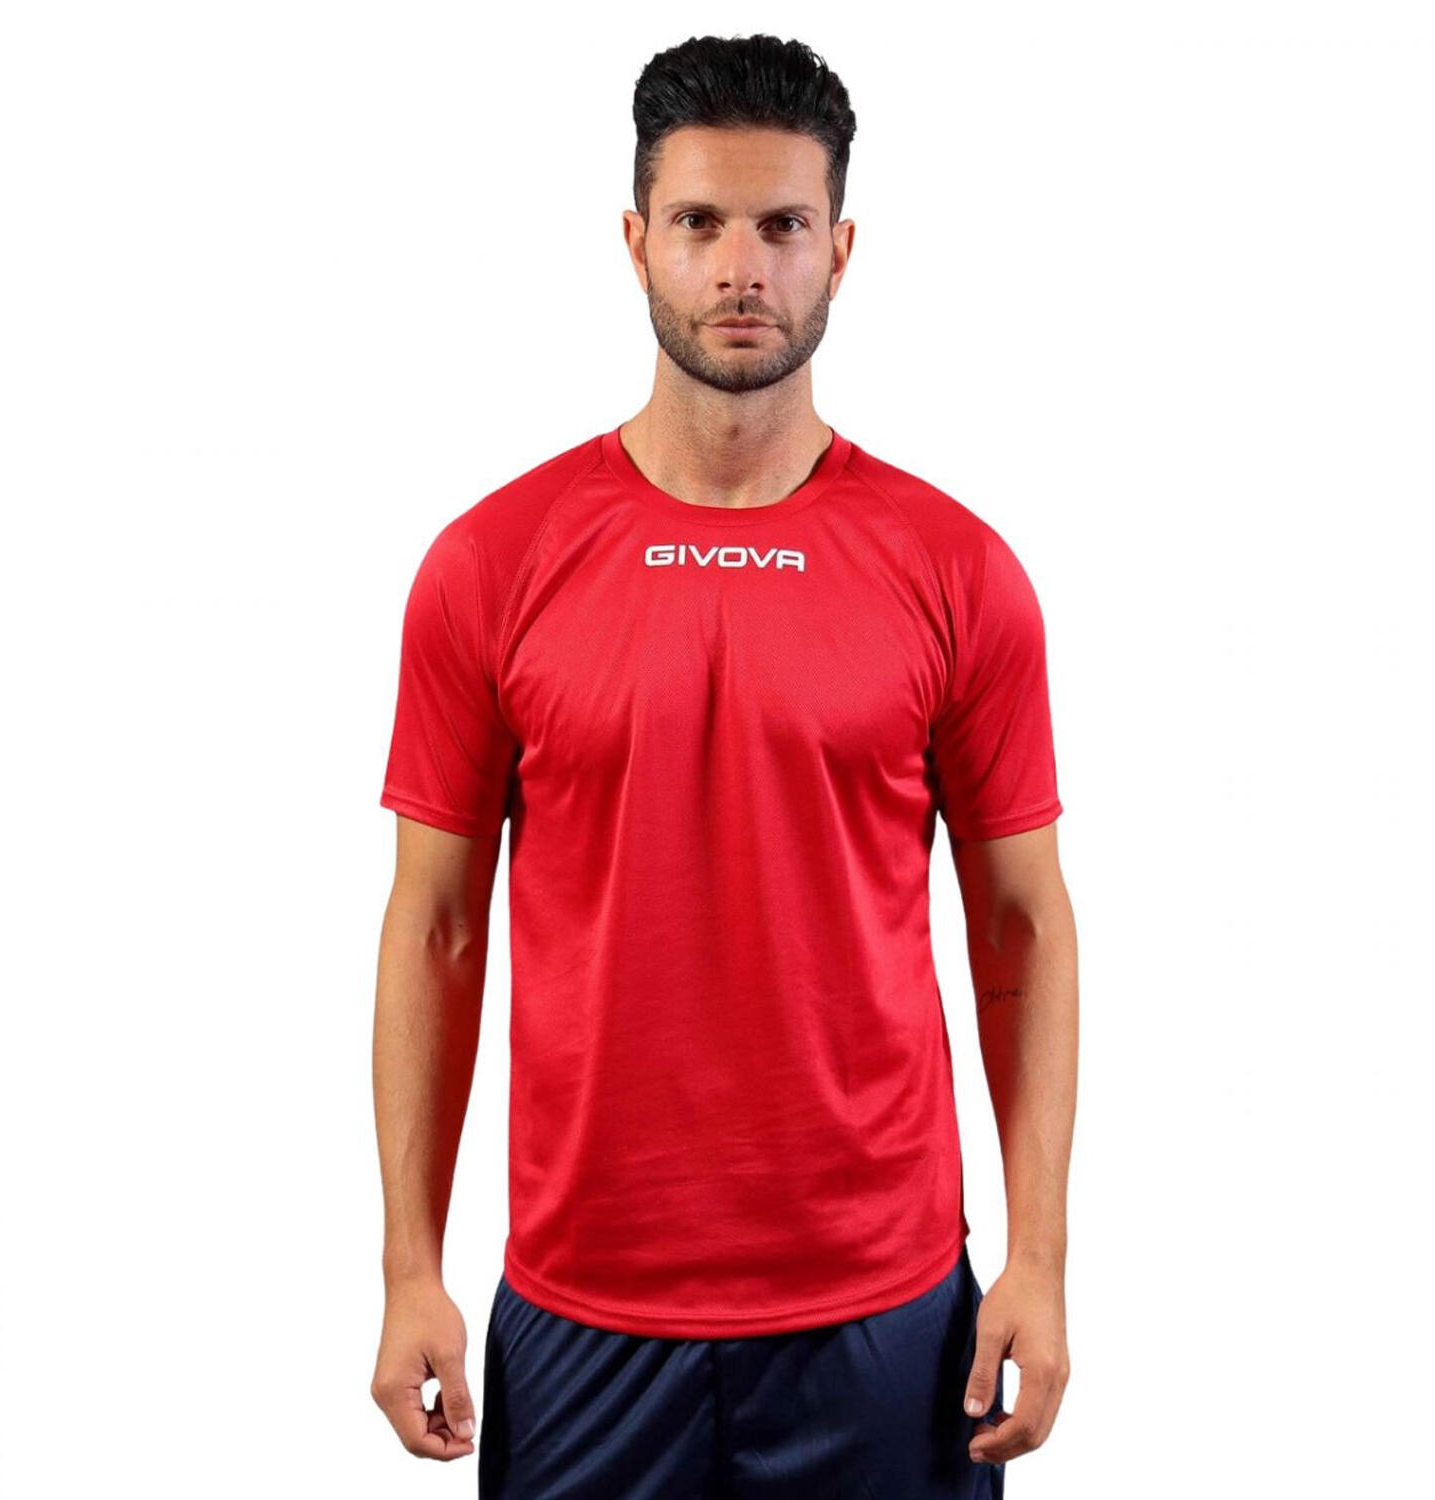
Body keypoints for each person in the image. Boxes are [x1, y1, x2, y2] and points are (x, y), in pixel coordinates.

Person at [369, 32, 1077, 1498]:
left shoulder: (957, 570)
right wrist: (408, 1270)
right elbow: (434, 926)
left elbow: (1022, 924)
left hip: (886, 1310)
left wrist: (1041, 1259)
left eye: (782, 225)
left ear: (842, 251)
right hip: (584, 1310)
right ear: (637, 242)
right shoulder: (491, 564)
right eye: (699, 222)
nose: (742, 268)